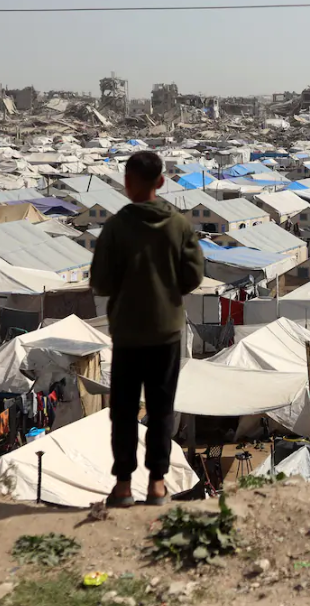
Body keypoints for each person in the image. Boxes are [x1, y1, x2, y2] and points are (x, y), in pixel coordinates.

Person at [90, 151, 204, 508]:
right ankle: (157, 485)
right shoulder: (178, 225)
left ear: (127, 182)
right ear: (161, 182)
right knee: (161, 408)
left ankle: (123, 486)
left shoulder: (116, 226)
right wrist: (166, 290)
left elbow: (100, 282)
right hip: (166, 330)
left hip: (128, 331)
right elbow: (193, 276)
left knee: (124, 410)